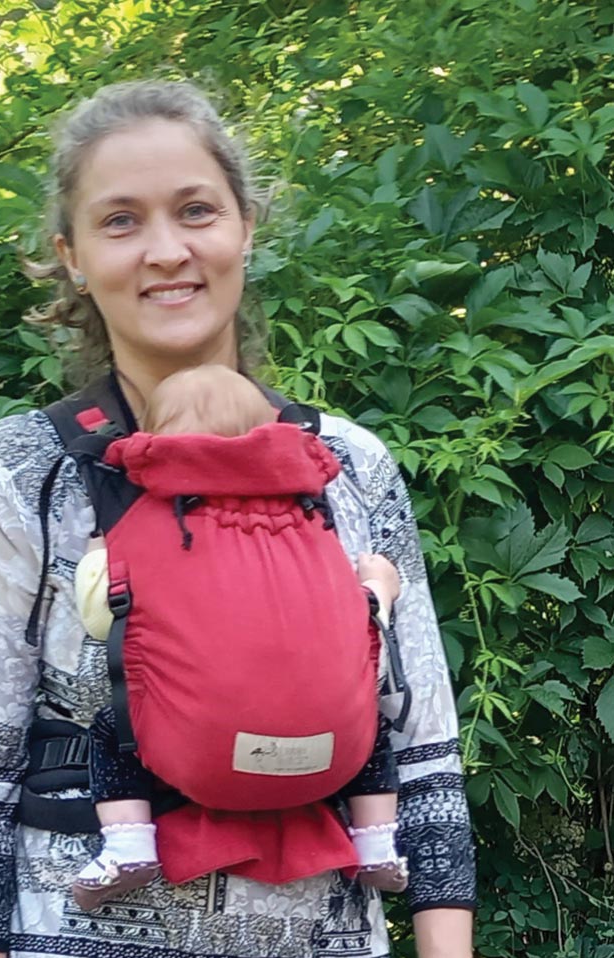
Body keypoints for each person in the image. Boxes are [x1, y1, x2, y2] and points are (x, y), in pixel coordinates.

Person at [0, 80, 476, 958]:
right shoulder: (24, 468)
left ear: (245, 227)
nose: (166, 250)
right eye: (119, 221)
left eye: (195, 210)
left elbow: (422, 747)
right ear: (70, 255)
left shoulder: (348, 464)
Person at [70, 364, 407, 911]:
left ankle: (127, 845)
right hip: (333, 759)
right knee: (373, 723)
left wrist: (96, 558)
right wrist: (380, 586)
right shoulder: (310, 518)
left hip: (197, 757)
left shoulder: (146, 521)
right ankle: (377, 843)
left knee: (114, 729)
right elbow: (361, 620)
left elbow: (100, 619)